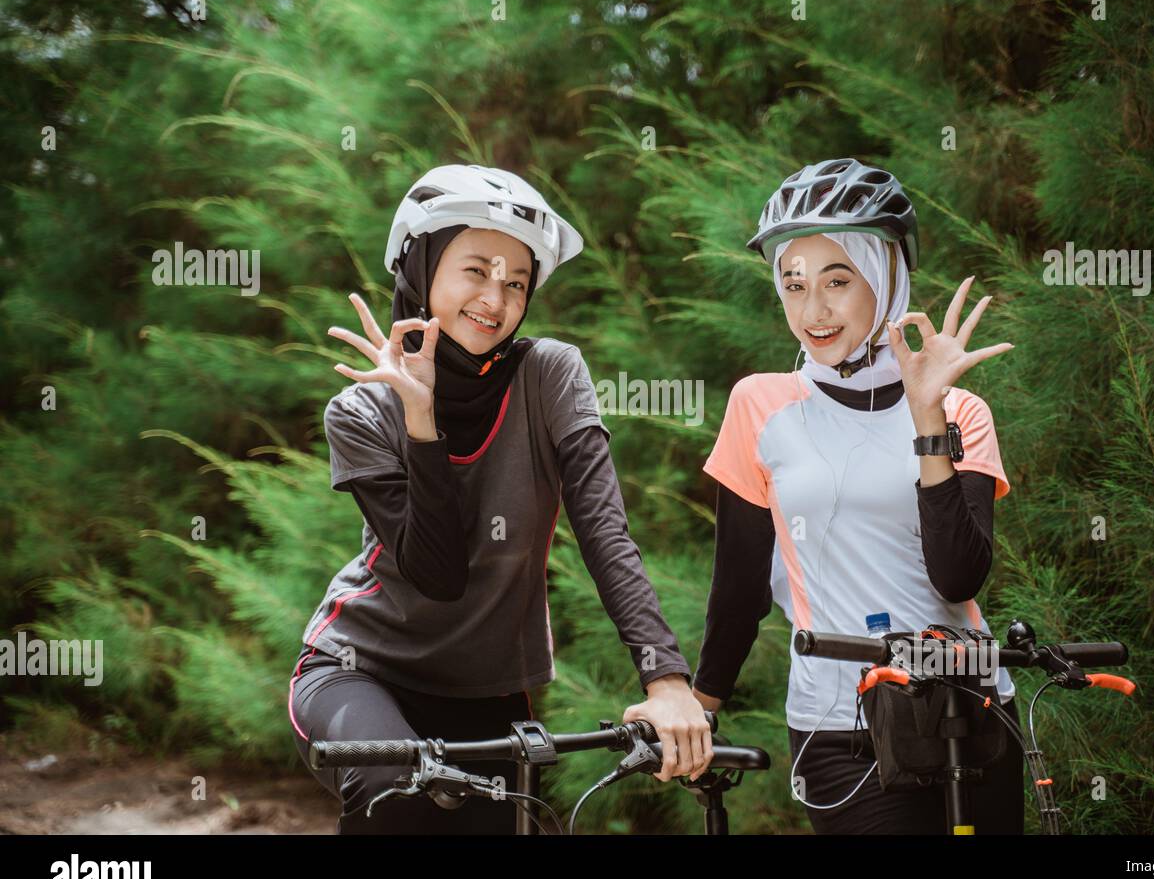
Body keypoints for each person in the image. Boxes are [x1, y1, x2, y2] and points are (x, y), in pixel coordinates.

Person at [288, 164, 712, 834]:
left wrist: (666, 679)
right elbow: (438, 573)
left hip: (489, 690)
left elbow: (603, 531)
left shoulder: (550, 374)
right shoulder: (361, 411)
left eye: (516, 282)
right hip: (360, 672)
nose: (497, 296)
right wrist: (421, 423)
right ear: (422, 269)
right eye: (476, 271)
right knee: (401, 800)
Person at [691, 158, 1023, 834]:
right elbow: (740, 588)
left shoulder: (962, 410)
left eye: (837, 281)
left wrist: (929, 419)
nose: (812, 310)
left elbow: (958, 574)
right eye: (793, 284)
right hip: (840, 728)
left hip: (974, 709)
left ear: (887, 277)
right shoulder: (763, 406)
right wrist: (698, 705)